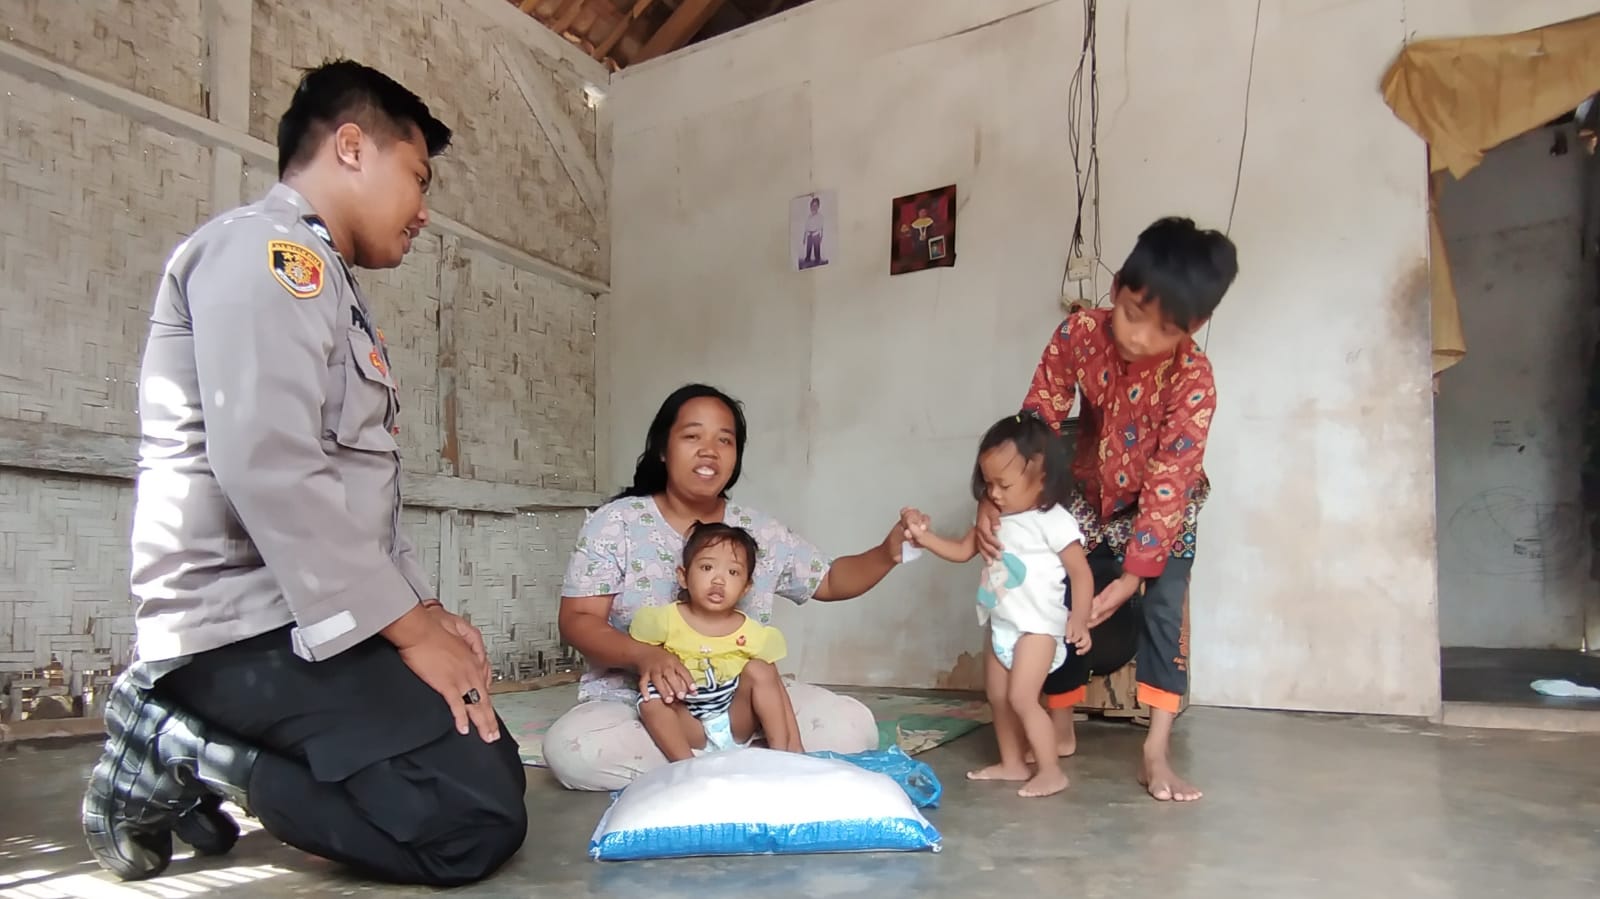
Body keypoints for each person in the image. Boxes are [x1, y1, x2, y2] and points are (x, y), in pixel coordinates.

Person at [79, 60, 527, 887]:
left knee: (487, 760)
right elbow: (271, 464)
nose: (424, 209)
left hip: (309, 617)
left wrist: (425, 610)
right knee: (469, 821)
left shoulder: (325, 285)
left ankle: (210, 748)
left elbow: (356, 497)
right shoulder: (266, 252)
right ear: (351, 146)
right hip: (237, 629)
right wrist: (411, 632)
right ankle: (176, 740)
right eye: (417, 176)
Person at [979, 215, 1237, 802]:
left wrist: (1134, 575)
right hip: (1089, 493)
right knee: (1061, 596)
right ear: (1117, 286)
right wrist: (993, 501)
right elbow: (1036, 423)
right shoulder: (1078, 334)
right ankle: (1060, 724)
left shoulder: (1194, 379)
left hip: (1163, 510)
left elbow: (1170, 480)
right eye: (1132, 313)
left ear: (1195, 326)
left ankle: (1156, 751)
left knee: (1163, 612)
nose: (1140, 338)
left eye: (1164, 329)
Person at [544, 383, 909, 791]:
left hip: (743, 704)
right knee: (574, 750)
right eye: (692, 436)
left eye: (724, 440)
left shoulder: (756, 531)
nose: (710, 451)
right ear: (663, 448)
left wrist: (888, 552)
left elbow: (831, 579)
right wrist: (644, 655)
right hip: (642, 703)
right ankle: (749, 766)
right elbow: (578, 620)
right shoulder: (617, 523)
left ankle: (711, 770)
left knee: (853, 726)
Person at [899, 414, 1094, 799]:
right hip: (1001, 622)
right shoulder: (994, 519)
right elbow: (961, 551)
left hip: (1038, 628)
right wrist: (925, 538)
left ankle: (1051, 771)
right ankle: (1012, 763)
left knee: (1023, 698)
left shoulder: (1053, 521)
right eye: (988, 484)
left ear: (1041, 476)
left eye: (1004, 484)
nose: (995, 494)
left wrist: (1080, 619)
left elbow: (1081, 574)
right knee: (1000, 699)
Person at [630, 522, 800, 759]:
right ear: (683, 576)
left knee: (762, 669)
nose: (719, 580)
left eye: (733, 572)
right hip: (690, 724)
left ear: (746, 588)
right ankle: (687, 765)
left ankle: (781, 757)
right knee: (650, 699)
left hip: (736, 720)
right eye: (707, 567)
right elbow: (643, 658)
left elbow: (776, 690)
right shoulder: (666, 620)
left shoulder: (752, 633)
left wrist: (796, 744)